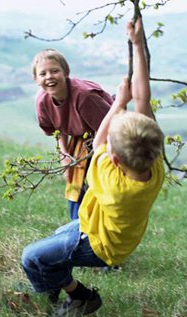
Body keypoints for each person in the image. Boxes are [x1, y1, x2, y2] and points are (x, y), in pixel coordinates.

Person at [21, 17, 165, 317]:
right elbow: (143, 98)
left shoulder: (112, 183)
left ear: (114, 160)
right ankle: (55, 285)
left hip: (99, 243)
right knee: (56, 239)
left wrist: (116, 104)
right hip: (111, 233)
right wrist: (137, 43)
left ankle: (81, 298)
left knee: (32, 258)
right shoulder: (153, 168)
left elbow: (99, 138)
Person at [32, 48, 114, 220]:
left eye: (55, 71)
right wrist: (64, 154)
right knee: (73, 182)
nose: (49, 77)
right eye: (43, 73)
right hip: (82, 135)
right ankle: (77, 225)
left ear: (66, 73)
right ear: (36, 79)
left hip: (107, 133)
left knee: (98, 182)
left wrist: (95, 159)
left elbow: (109, 128)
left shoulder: (84, 96)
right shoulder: (42, 101)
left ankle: (101, 227)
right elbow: (57, 128)